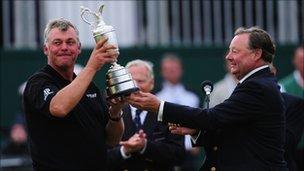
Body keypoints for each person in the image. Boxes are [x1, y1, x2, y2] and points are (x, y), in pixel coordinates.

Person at [127, 27, 288, 170]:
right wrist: (196, 130)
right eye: (229, 51)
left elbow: (213, 117)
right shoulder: (258, 84)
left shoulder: (257, 87)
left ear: (256, 54)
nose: (228, 57)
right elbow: (236, 134)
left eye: (235, 51)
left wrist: (159, 106)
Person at [23, 18, 125, 170]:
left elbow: (112, 140)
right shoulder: (38, 82)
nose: (64, 47)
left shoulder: (89, 87)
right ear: (46, 49)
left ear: (79, 48)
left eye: (70, 42)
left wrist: (115, 112)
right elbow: (59, 108)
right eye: (57, 43)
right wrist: (92, 66)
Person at [107, 59, 185, 171]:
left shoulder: (168, 113)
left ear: (152, 83)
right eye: (130, 81)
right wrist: (124, 150)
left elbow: (179, 156)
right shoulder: (111, 112)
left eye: (141, 81)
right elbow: (100, 157)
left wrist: (145, 146)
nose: (135, 86)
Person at [156, 53, 202, 171]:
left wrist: (197, 143)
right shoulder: (155, 96)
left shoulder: (193, 96)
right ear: (162, 71)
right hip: (163, 151)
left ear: (181, 70)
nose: (172, 72)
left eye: (175, 68)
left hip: (188, 151)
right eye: (168, 69)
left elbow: (200, 121)